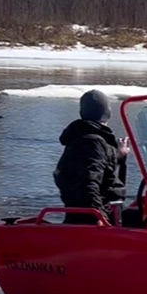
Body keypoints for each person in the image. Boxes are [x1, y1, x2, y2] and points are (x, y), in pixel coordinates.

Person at [53, 89, 129, 224]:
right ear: (107, 113)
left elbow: (101, 167)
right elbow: (88, 180)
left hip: (104, 209)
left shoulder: (87, 138)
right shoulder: (92, 142)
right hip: (91, 217)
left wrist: (119, 155)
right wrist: (97, 216)